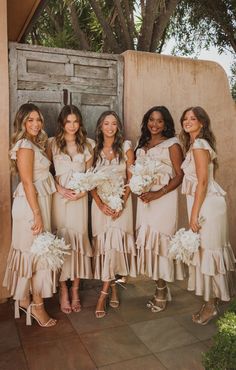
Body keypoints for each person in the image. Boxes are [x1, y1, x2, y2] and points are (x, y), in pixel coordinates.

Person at [180, 106, 236, 324]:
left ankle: (211, 305)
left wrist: (193, 215)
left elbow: (202, 182)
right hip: (205, 203)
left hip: (206, 206)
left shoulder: (199, 144)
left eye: (193, 118)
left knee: (209, 252)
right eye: (185, 118)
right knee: (207, 252)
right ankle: (212, 299)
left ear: (202, 122)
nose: (187, 121)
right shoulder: (195, 144)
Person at [3, 103, 57, 327]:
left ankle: (25, 299)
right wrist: (37, 213)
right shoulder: (25, 145)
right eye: (30, 120)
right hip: (30, 206)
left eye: (38, 120)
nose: (36, 124)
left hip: (37, 202)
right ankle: (36, 305)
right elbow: (26, 182)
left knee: (34, 252)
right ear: (22, 123)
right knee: (35, 253)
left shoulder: (35, 143)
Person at [135, 106, 184, 312]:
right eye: (151, 120)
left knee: (160, 244)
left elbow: (179, 175)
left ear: (166, 124)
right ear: (147, 121)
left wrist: (158, 193)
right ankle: (158, 286)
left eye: (160, 121)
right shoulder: (141, 145)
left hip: (163, 200)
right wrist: (138, 189)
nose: (154, 125)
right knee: (148, 244)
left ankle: (162, 289)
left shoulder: (172, 145)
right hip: (145, 201)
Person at [47, 105, 94, 314]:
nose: (72, 126)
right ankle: (62, 289)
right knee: (61, 242)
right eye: (68, 122)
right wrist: (58, 188)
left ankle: (75, 289)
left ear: (80, 123)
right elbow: (45, 172)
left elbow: (91, 175)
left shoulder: (88, 145)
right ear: (62, 123)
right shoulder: (52, 144)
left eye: (76, 121)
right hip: (58, 199)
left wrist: (83, 192)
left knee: (78, 243)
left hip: (79, 201)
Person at [91, 111, 136, 318]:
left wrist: (121, 203)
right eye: (106, 123)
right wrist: (100, 204)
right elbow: (88, 180)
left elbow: (130, 179)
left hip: (120, 205)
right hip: (101, 206)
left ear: (118, 127)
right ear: (100, 126)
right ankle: (114, 287)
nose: (110, 127)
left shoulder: (126, 147)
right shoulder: (94, 149)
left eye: (114, 124)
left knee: (114, 246)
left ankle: (102, 295)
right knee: (106, 247)